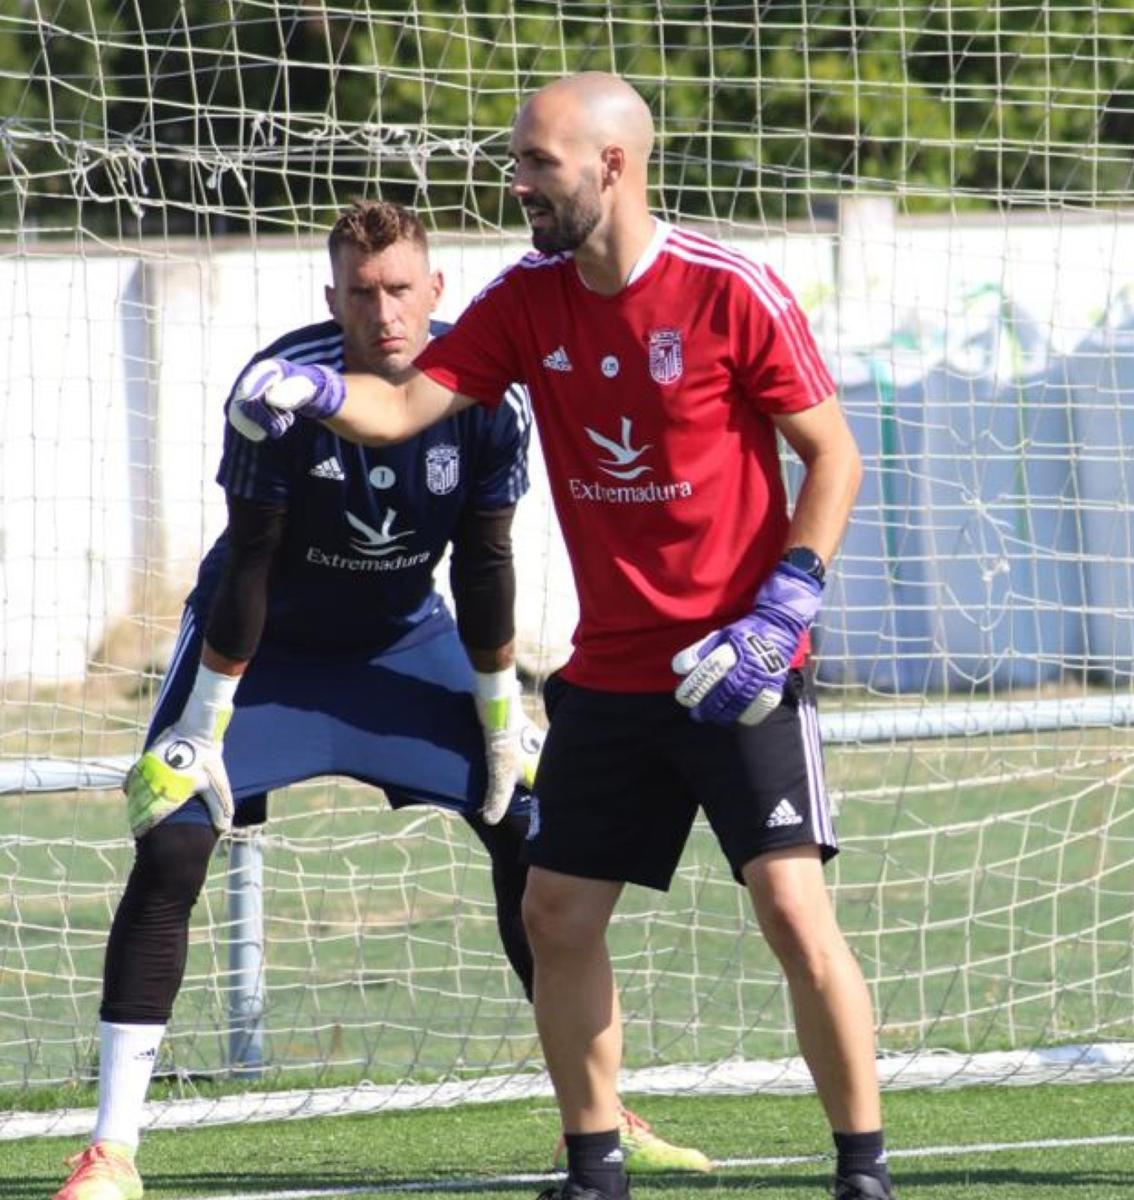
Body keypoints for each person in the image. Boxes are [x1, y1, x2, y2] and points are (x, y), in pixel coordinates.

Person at [229, 73, 895, 1200]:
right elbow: (399, 405)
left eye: (537, 161)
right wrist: (303, 388)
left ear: (612, 167)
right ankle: (596, 1167)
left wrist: (787, 609)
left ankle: (862, 1172)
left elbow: (833, 456)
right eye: (518, 160)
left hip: (740, 669)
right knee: (556, 911)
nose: (518, 180)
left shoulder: (732, 290)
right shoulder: (524, 299)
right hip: (611, 678)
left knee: (791, 908)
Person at [52, 200, 710, 1200]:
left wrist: (501, 716)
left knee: (532, 824)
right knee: (174, 835)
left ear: (434, 290)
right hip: (265, 646)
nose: (384, 310)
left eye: (401, 288)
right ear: (334, 298)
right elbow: (250, 564)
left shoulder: (487, 395)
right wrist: (198, 728)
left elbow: (485, 564)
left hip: (409, 639)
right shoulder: (279, 389)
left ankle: (600, 1113)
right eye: (363, 293)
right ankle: (111, 1148)